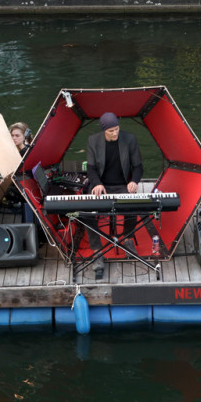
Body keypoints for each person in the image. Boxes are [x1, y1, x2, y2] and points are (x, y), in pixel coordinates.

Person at [84, 112, 143, 278]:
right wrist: (96, 183)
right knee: (87, 212)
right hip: (102, 185)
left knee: (132, 205)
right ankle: (97, 251)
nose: (115, 133)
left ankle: (128, 238)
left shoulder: (129, 139)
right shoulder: (93, 141)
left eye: (117, 129)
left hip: (123, 184)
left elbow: (138, 167)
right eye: (111, 131)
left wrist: (135, 181)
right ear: (104, 131)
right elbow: (91, 168)